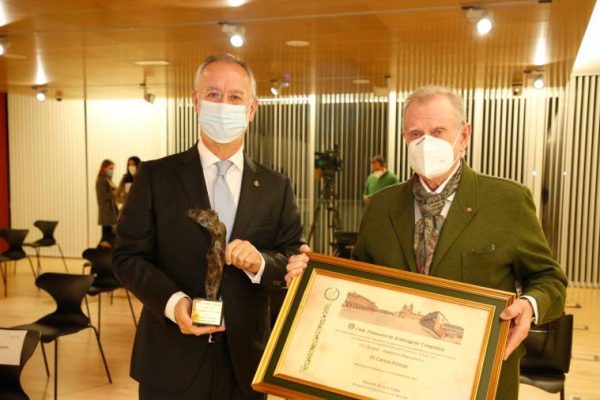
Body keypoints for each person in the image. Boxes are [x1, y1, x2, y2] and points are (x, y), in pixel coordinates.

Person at [286, 86, 567, 400]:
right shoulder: (380, 207)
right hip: (389, 377)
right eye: (416, 133)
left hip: (475, 379)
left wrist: (530, 305)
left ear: (463, 136)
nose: (426, 142)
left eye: (438, 131)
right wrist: (315, 278)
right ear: (405, 138)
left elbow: (549, 279)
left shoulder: (508, 201)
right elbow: (360, 285)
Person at [112, 54, 304, 400]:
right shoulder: (156, 177)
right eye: (214, 94)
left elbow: (292, 257)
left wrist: (261, 263)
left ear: (252, 108)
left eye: (235, 97)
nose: (224, 104)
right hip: (170, 358)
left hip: (245, 362)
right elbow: (127, 257)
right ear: (196, 101)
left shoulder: (276, 186)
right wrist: (173, 303)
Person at [96, 159, 118, 248]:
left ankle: (99, 255)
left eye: (113, 169)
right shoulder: (101, 180)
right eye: (110, 168)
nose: (112, 171)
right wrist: (113, 193)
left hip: (110, 212)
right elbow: (103, 197)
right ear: (104, 168)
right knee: (106, 237)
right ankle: (96, 255)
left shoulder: (108, 179)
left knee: (108, 237)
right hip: (106, 213)